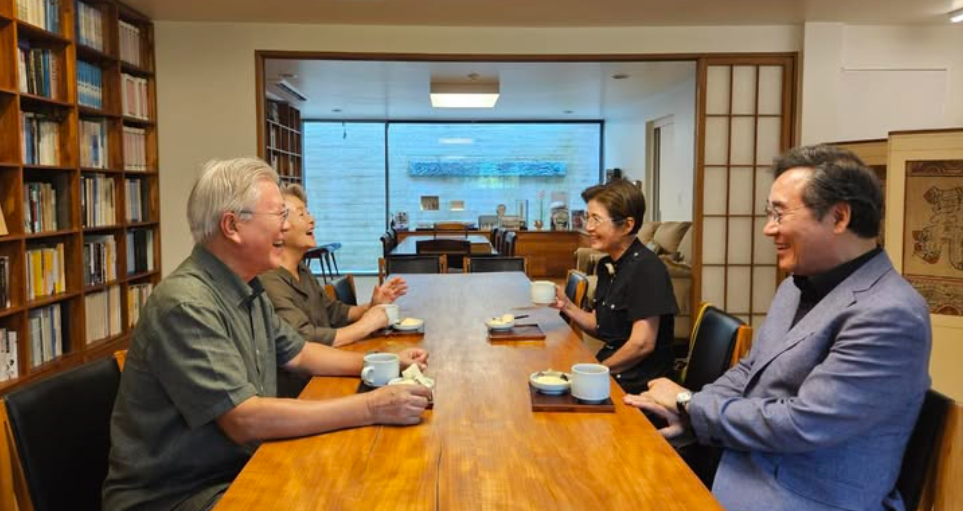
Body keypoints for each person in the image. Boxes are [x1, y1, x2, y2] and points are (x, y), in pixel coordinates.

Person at [103, 158, 432, 511]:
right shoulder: (186, 305)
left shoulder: (247, 287)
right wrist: (370, 406)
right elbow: (244, 419)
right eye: (279, 215)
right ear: (232, 226)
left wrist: (385, 362)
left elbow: (300, 353)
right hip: (182, 495)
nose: (286, 226)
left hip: (241, 467)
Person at [627, 145, 932, 511]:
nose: (768, 229)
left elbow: (803, 423)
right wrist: (690, 414)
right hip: (737, 463)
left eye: (779, 214)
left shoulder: (890, 313)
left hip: (803, 495)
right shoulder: (795, 286)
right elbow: (748, 370)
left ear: (838, 217)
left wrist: (690, 404)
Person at [261, 184, 408, 396]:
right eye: (302, 214)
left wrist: (372, 306)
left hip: (327, 371)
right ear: (280, 226)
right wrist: (366, 325)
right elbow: (304, 340)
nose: (312, 220)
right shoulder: (269, 280)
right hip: (304, 388)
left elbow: (334, 311)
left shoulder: (301, 269)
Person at [551, 179, 677, 394]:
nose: (588, 227)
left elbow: (642, 344)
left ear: (627, 225)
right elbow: (602, 325)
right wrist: (566, 305)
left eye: (596, 219)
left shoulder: (647, 268)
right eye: (588, 217)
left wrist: (596, 370)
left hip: (639, 383)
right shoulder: (607, 266)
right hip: (612, 370)